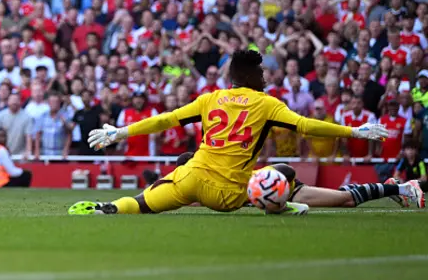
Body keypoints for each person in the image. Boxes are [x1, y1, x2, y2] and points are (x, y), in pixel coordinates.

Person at [68, 50, 389, 216]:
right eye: (261, 72)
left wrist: (120, 132)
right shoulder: (267, 104)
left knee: (137, 204)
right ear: (252, 75)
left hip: (190, 178)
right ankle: (278, 204)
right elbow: (306, 125)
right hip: (230, 193)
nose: (264, 76)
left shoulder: (210, 98)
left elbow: (166, 119)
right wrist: (354, 131)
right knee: (285, 172)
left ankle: (106, 208)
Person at [175, 152, 425, 210]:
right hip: (276, 199)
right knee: (341, 195)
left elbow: (287, 168)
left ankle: (404, 186)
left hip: (288, 191)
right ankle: (392, 185)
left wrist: (276, 188)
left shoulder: (224, 172)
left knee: (344, 199)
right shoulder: (201, 189)